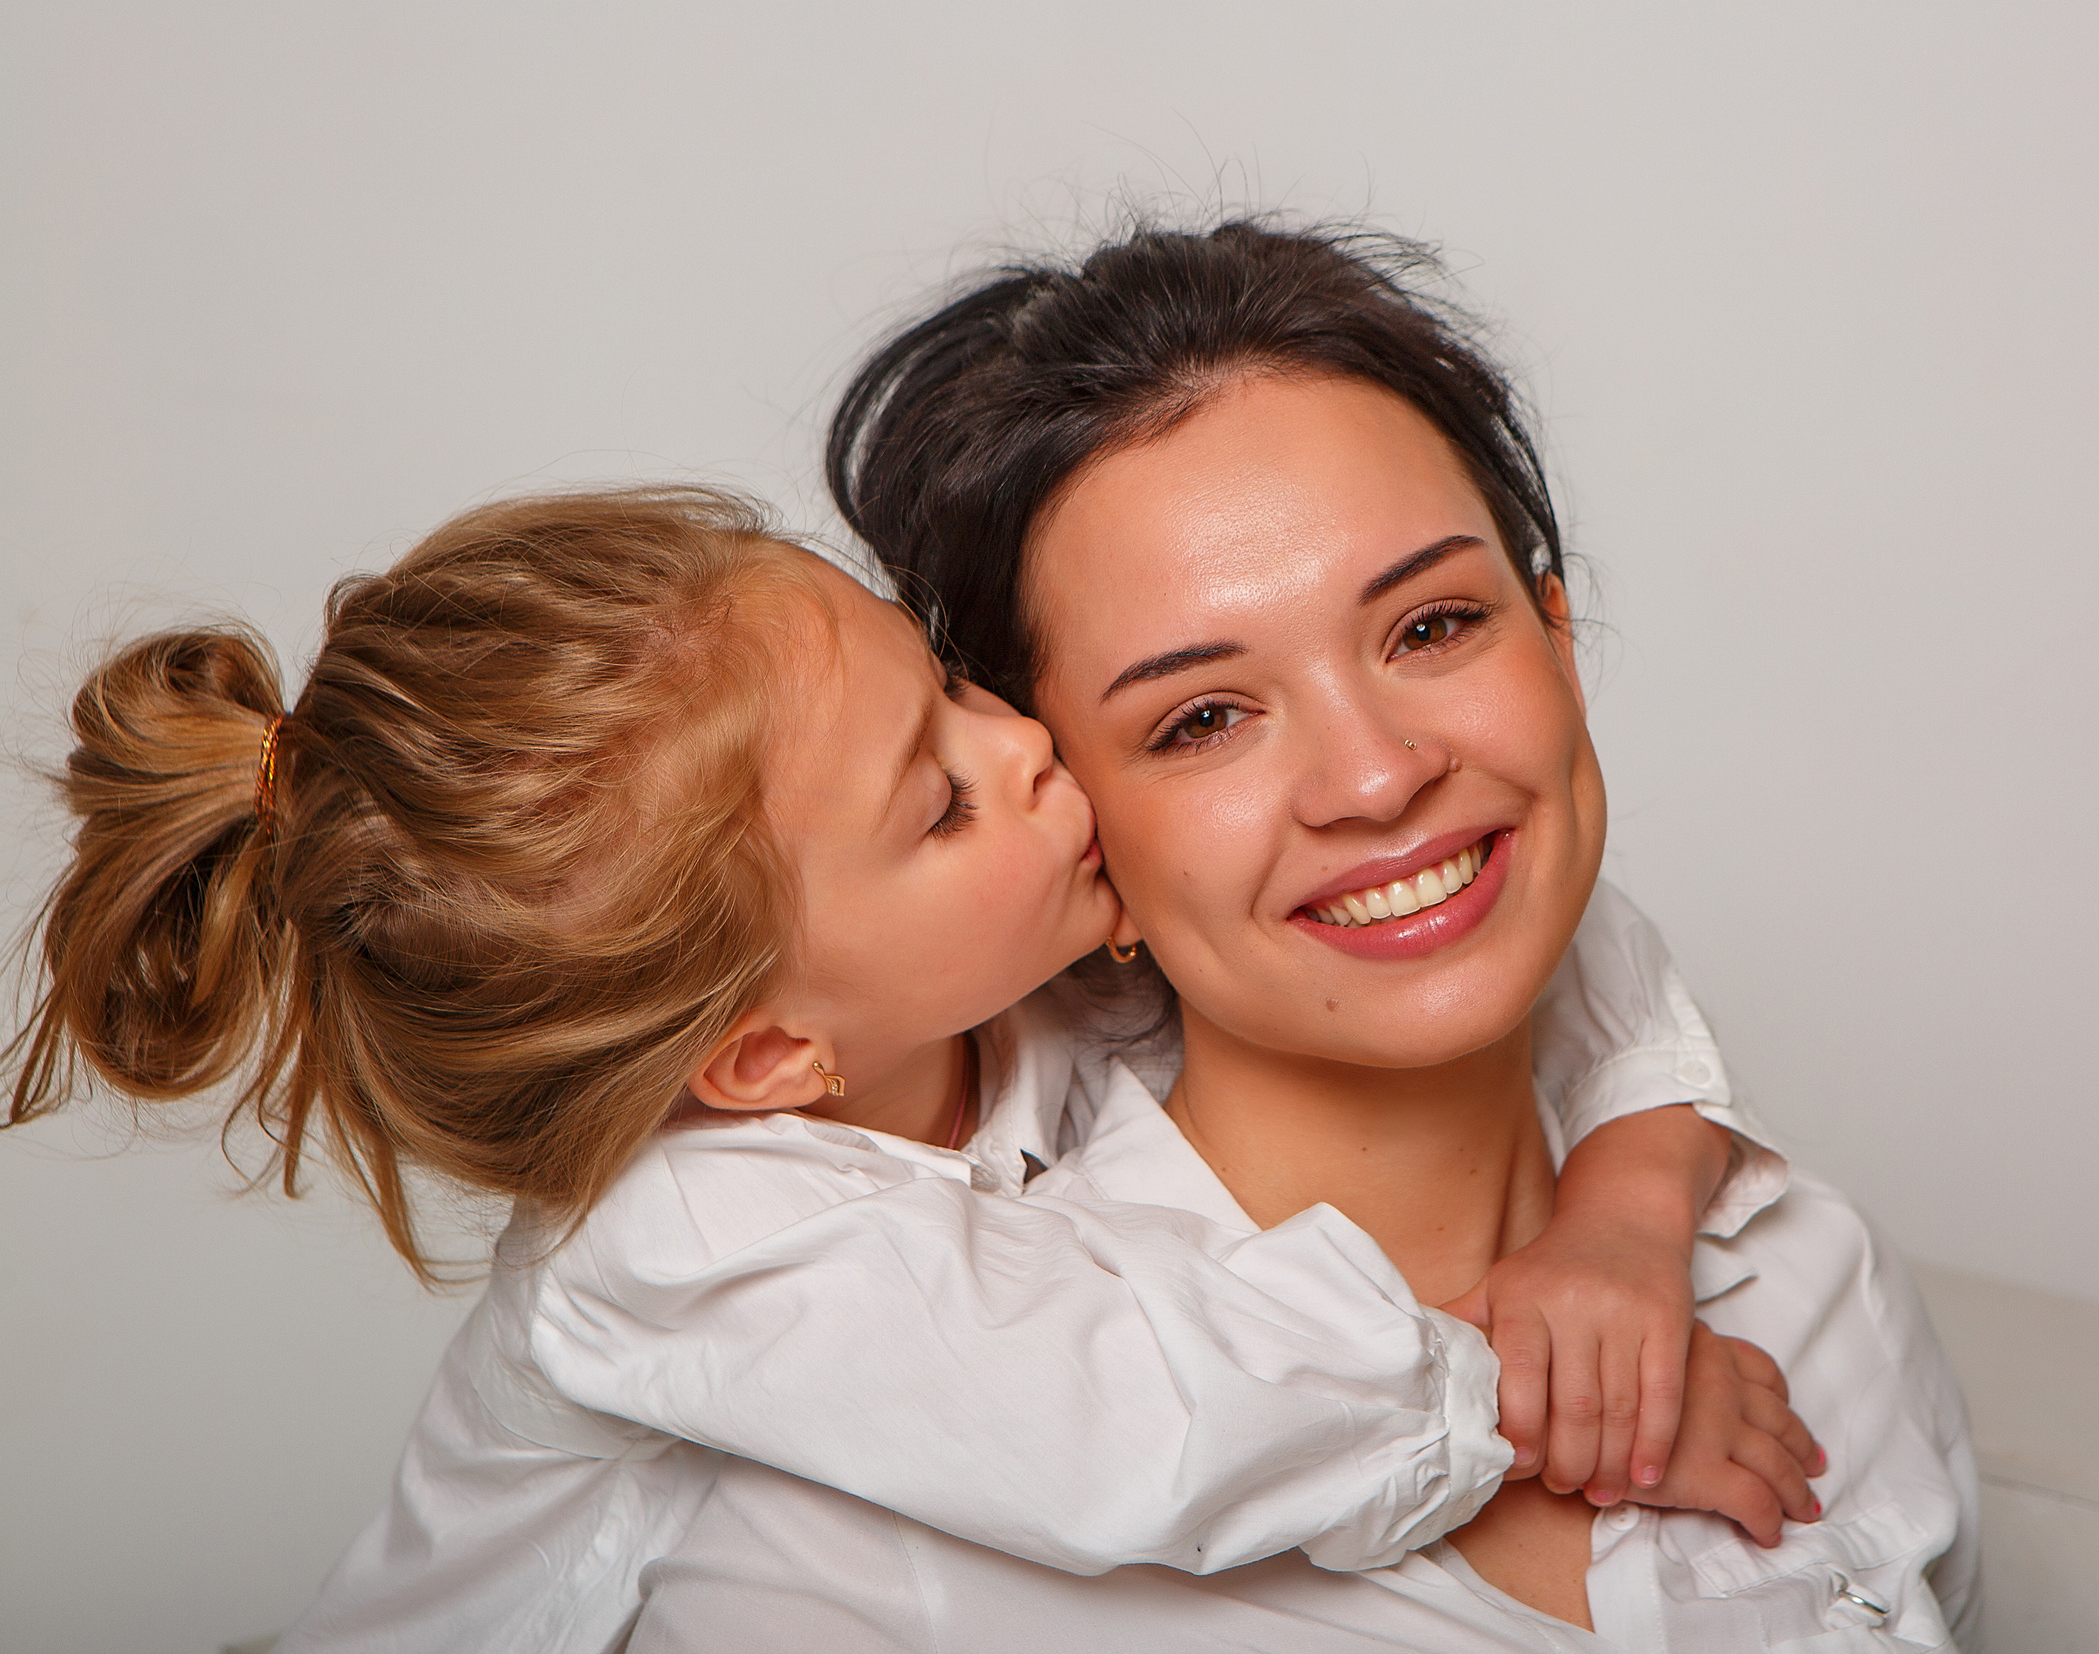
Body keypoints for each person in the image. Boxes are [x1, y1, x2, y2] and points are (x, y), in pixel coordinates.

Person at [4, 487, 1816, 1654]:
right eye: (941, 799)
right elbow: (1136, 1428)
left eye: (948, 684)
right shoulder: (686, 1244)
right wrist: (1521, 1403)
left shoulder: (1002, 988)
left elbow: (1531, 922)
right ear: (773, 1053)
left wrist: (1631, 1210)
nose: (1030, 747)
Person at [620, 219, 1979, 1650]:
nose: (1379, 776)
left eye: (1434, 626)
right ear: (1082, 829)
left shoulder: (1816, 1287)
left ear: (1559, 641)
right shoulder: (871, 1535)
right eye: (1202, 720)